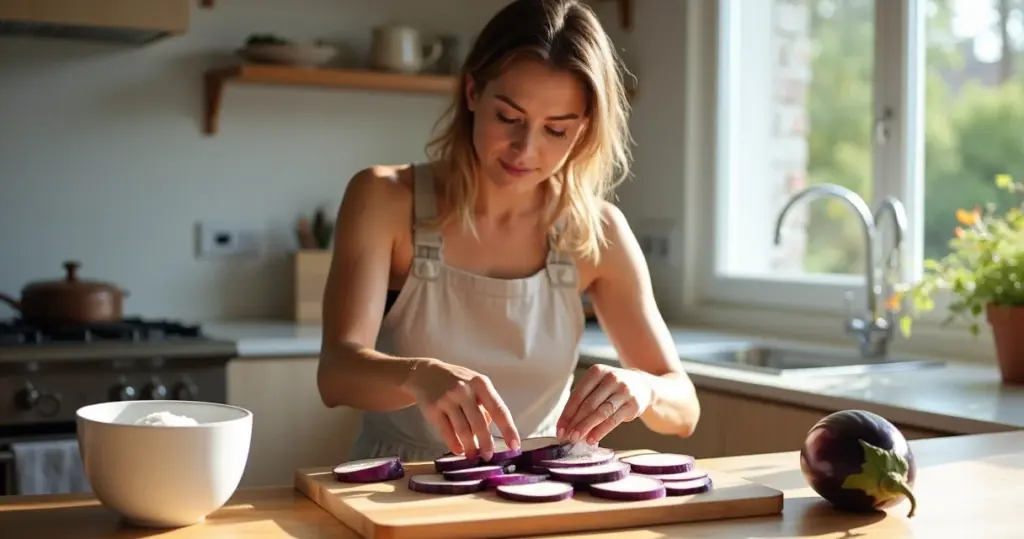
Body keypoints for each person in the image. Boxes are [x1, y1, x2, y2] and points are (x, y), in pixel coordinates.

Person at [317, 0, 700, 464]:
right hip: (400, 482)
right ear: (472, 92)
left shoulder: (597, 232)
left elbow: (683, 410)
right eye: (509, 118)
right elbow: (336, 375)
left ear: (583, 131)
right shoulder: (383, 198)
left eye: (556, 130)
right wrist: (418, 375)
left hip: (539, 483)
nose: (526, 149)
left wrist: (643, 388)